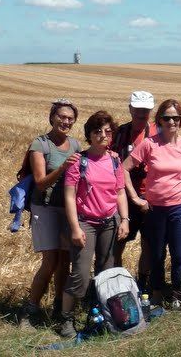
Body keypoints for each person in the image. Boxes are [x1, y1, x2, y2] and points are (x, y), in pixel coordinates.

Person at [122, 99, 181, 306]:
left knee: (180, 254)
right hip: (155, 209)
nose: (171, 121)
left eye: (176, 118)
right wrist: (135, 198)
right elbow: (123, 169)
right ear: (160, 120)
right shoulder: (149, 144)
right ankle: (156, 292)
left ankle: (177, 293)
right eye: (167, 118)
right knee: (156, 254)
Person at [59, 111, 129, 338]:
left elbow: (120, 192)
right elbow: (69, 196)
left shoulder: (115, 159)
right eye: (97, 131)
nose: (103, 135)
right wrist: (75, 228)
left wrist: (125, 219)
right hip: (85, 223)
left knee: (106, 271)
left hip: (109, 222)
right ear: (89, 134)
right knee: (79, 273)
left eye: (107, 131)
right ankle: (66, 319)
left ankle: (100, 313)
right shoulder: (79, 161)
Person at [19, 99, 82, 329]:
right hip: (44, 209)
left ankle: (58, 307)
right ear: (52, 118)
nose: (65, 121)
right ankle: (30, 310)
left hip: (67, 210)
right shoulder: (40, 144)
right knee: (50, 262)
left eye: (70, 118)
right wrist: (63, 168)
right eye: (61, 117)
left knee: (65, 262)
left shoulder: (75, 145)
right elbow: (40, 183)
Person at [110, 90, 156, 288]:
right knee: (117, 242)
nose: (141, 114)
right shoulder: (118, 134)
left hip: (150, 196)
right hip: (122, 197)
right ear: (130, 109)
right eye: (138, 110)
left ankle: (143, 284)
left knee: (148, 244)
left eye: (145, 110)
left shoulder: (157, 133)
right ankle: (116, 284)